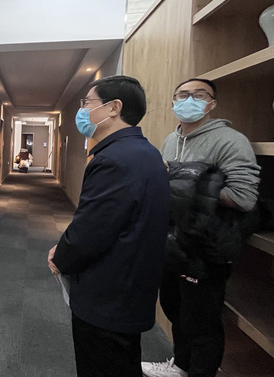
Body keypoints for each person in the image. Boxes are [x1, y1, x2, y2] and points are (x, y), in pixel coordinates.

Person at [48, 76, 170, 377]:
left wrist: (60, 257)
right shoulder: (145, 152)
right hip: (128, 289)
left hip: (108, 296)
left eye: (87, 103)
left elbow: (90, 232)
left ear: (114, 107)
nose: (83, 111)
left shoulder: (115, 159)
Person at [141, 79, 260, 377]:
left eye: (199, 95)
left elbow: (244, 197)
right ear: (173, 101)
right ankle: (181, 365)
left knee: (202, 318)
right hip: (174, 238)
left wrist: (187, 183)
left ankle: (201, 371)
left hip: (207, 245)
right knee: (174, 306)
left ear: (212, 103)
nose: (189, 100)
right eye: (182, 95)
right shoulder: (171, 139)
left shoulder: (230, 140)